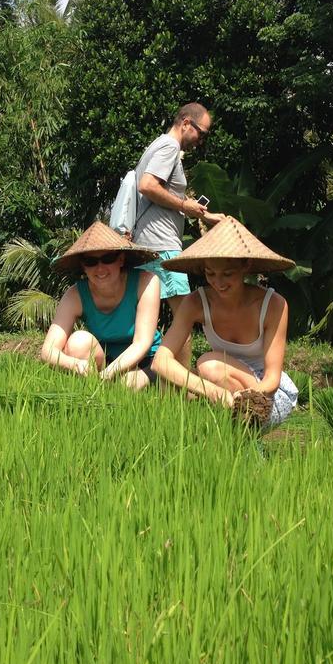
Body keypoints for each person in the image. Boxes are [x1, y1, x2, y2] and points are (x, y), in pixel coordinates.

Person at [151, 218, 299, 427]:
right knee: (174, 383)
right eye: (210, 274)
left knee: (208, 365)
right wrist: (213, 392)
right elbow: (161, 361)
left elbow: (272, 380)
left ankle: (244, 436)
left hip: (267, 397)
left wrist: (242, 398)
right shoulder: (195, 302)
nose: (218, 283)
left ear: (245, 266)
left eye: (227, 274)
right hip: (221, 387)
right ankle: (228, 444)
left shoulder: (273, 305)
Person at [132, 102, 228, 366]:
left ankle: (156, 379)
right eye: (202, 132)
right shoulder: (169, 147)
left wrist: (202, 214)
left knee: (147, 319)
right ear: (186, 123)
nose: (201, 140)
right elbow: (148, 185)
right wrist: (185, 205)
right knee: (184, 317)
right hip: (162, 245)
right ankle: (182, 389)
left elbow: (164, 193)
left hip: (150, 242)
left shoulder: (158, 145)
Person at [41, 222, 162, 389]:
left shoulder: (146, 281)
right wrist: (76, 365)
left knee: (127, 385)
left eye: (108, 258)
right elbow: (48, 351)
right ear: (84, 267)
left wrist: (108, 374)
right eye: (91, 261)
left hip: (146, 359)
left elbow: (142, 343)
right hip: (104, 359)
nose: (100, 268)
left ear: (120, 260)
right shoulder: (75, 295)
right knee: (78, 342)